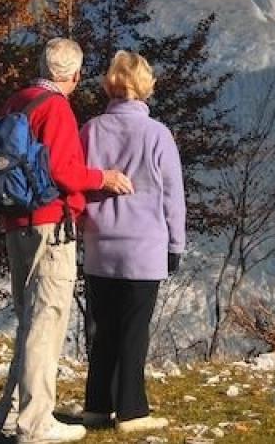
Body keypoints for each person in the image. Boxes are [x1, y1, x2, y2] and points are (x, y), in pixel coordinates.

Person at [0, 38, 134, 443]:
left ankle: (12, 415)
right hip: (49, 222)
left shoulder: (18, 99)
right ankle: (36, 422)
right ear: (73, 75)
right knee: (48, 317)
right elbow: (62, 169)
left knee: (28, 318)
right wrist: (102, 178)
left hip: (15, 219)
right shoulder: (56, 108)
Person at [78, 50, 187, 434]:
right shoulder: (157, 134)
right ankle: (132, 410)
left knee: (102, 328)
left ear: (110, 84)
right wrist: (176, 245)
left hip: (99, 242)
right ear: (145, 86)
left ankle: (96, 406)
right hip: (144, 244)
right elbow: (172, 195)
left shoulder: (90, 130)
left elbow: (78, 179)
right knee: (134, 329)